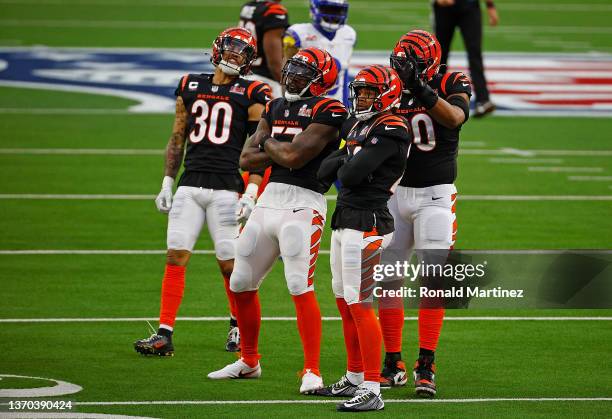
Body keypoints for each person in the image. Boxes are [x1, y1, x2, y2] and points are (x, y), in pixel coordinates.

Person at [207, 47, 348, 395]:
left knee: (299, 285)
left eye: (303, 72)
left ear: (321, 80)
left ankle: (312, 369)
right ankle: (249, 361)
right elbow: (245, 160)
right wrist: (280, 146)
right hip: (269, 201)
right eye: (292, 69)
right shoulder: (274, 106)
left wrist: (271, 142)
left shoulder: (330, 109)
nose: (293, 77)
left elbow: (295, 157)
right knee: (240, 281)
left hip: (304, 204)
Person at [133, 27, 271, 357]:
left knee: (229, 264)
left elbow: (260, 147)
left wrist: (252, 190)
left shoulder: (253, 92)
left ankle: (237, 325)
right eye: (230, 49)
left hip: (227, 187)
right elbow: (177, 136)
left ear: (250, 60)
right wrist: (168, 179)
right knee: (176, 255)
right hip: (191, 183)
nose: (234, 55)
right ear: (217, 50)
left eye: (242, 52)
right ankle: (164, 333)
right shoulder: (190, 85)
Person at [378, 29, 471, 397]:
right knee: (388, 279)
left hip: (435, 194)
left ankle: (426, 363)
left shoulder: (451, 80)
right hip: (394, 194)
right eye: (402, 65)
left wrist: (420, 87)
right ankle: (392, 362)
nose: (405, 70)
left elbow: (454, 118)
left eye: (411, 65)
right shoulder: (393, 85)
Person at [316, 65, 410, 411]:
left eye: (370, 92)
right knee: (343, 301)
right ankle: (355, 376)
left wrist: (347, 159)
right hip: (345, 218)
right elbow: (325, 169)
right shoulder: (360, 125)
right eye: (360, 92)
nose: (363, 98)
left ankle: (373, 388)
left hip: (369, 222)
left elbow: (350, 173)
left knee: (360, 303)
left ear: (387, 93)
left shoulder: (392, 126)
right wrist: (347, 158)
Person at [283, 0, 356, 106]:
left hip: (337, 102)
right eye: (327, 9)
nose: (333, 15)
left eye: (337, 10)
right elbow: (287, 71)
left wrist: (346, 104)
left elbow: (344, 74)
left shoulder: (349, 34)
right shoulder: (298, 34)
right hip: (306, 102)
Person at [432, 0, 498, 117]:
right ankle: (435, 98)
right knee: (440, 53)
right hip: (445, 7)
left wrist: (490, 5)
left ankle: (483, 100)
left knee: (474, 53)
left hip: (469, 6)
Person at [239, 0, 289, 97]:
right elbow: (274, 64)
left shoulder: (249, 6)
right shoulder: (274, 11)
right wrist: (289, 89)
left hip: (244, 76)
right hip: (266, 81)